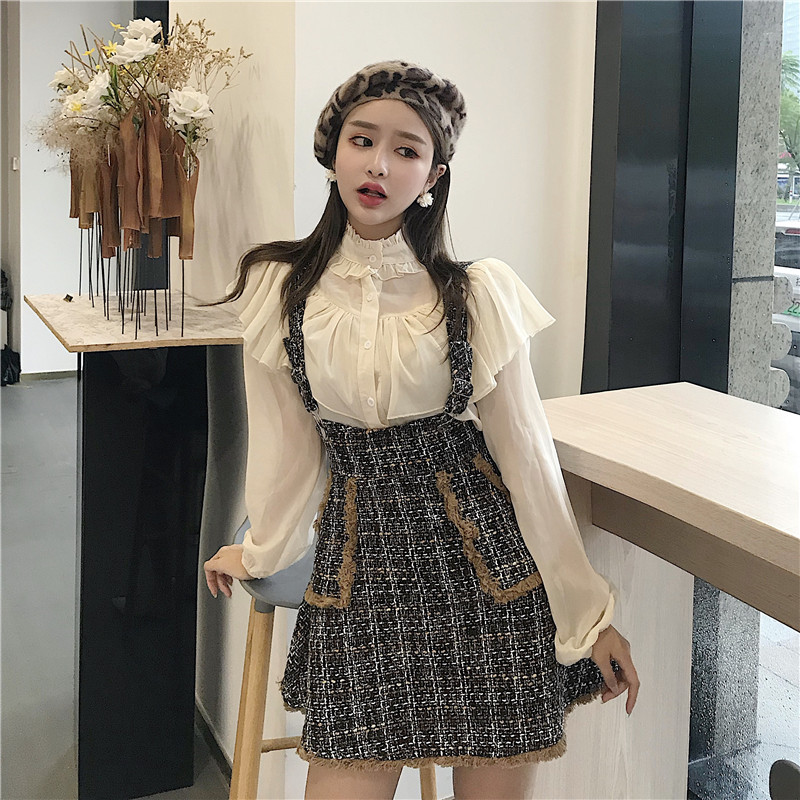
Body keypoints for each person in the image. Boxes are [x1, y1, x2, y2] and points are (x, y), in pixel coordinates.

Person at [203, 60, 639, 800]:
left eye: (405, 149)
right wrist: (259, 550)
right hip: (360, 573)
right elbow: (288, 450)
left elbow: (527, 461)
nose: (378, 164)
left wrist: (589, 617)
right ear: (333, 154)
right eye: (362, 140)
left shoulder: (477, 293)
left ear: (433, 175)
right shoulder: (282, 288)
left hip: (486, 574)